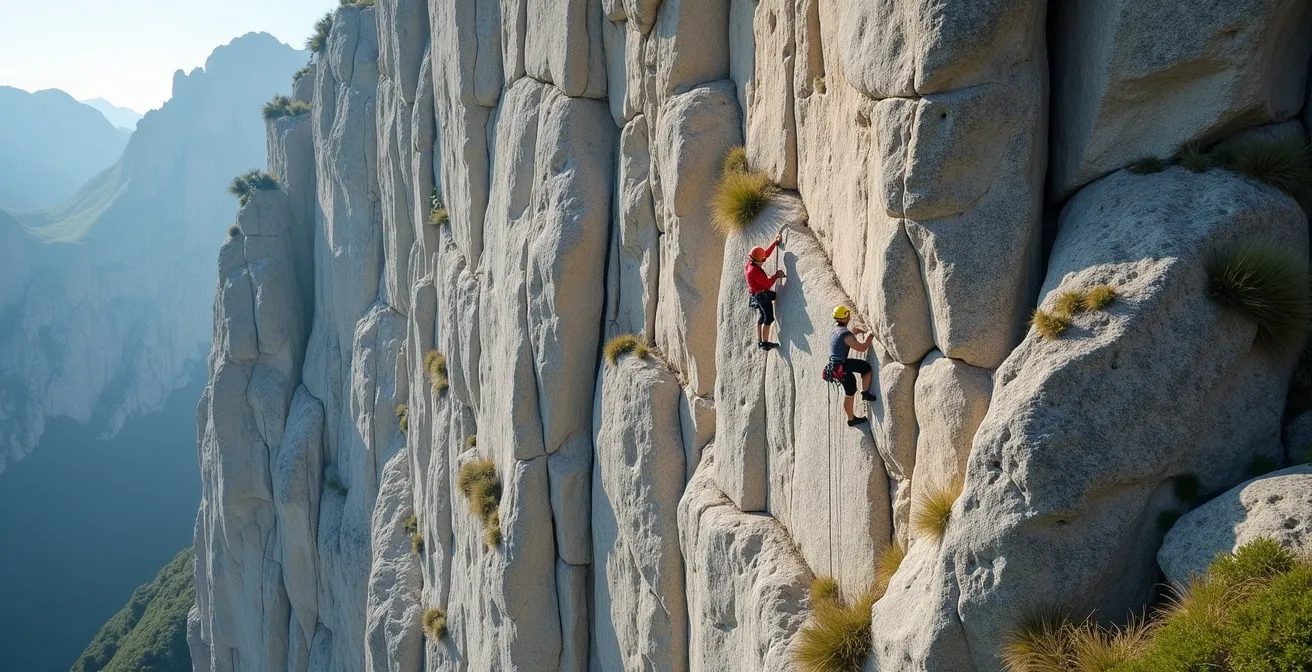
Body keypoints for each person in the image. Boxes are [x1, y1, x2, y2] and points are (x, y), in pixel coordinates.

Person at [826, 305, 877, 427]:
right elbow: (862, 348)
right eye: (847, 314)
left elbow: (846, 335)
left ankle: (865, 394)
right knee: (850, 391)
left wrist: (855, 331)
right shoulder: (846, 335)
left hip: (836, 365)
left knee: (864, 367)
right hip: (841, 368)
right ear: (845, 317)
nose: (849, 316)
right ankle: (851, 419)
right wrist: (870, 336)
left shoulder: (836, 328)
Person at [745, 232, 785, 350]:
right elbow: (767, 283)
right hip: (761, 295)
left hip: (755, 295)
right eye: (762, 260)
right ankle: (765, 343)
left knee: (762, 317)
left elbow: (764, 254)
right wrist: (776, 275)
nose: (764, 261)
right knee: (769, 318)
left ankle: (760, 340)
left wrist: (775, 242)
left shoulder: (751, 262)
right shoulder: (753, 271)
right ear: (756, 260)